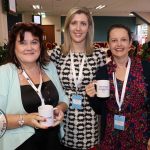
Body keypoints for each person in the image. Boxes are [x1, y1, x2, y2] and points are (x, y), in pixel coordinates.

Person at [0, 22, 69, 150]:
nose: (29, 47)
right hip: (20, 145)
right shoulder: (4, 73)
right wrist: (25, 120)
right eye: (23, 42)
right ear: (13, 47)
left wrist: (59, 109)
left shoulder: (49, 67)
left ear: (40, 46)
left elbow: (64, 99)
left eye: (34, 42)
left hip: (52, 141)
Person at [85, 24, 150, 149]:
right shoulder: (102, 72)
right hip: (111, 134)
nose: (119, 44)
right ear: (108, 44)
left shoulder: (146, 68)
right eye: (114, 40)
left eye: (123, 40)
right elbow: (100, 109)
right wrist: (92, 96)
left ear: (130, 43)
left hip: (140, 132)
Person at [50, 6, 106, 150]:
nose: (78, 28)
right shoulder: (57, 53)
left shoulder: (98, 54)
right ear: (68, 26)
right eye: (74, 23)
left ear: (89, 27)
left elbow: (103, 88)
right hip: (63, 114)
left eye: (83, 23)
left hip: (88, 118)